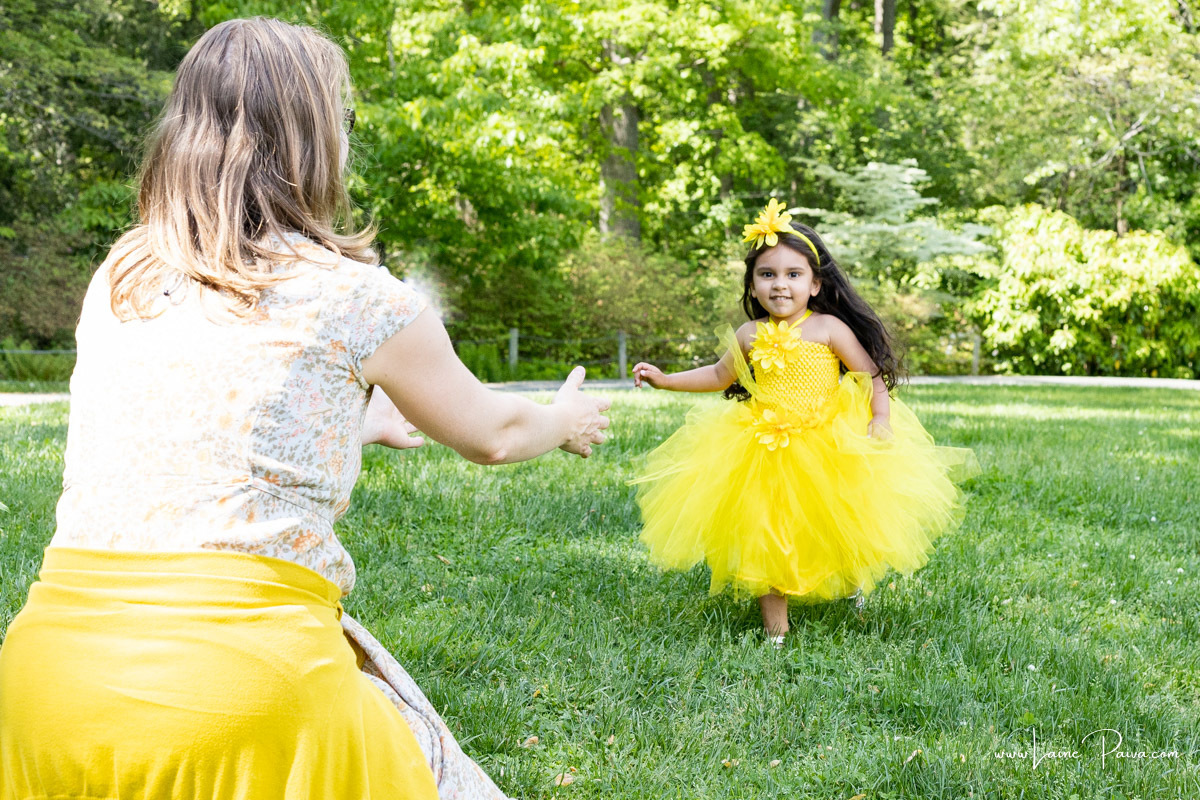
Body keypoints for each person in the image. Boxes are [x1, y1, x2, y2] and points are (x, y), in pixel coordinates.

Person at [0, 17, 609, 800]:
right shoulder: (360, 297)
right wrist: (565, 417)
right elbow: (494, 433)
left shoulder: (123, 276)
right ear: (316, 139)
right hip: (241, 690)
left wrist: (353, 421)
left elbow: (191, 423)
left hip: (45, 683)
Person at [630, 199, 976, 646]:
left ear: (814, 285)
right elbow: (719, 375)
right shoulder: (748, 335)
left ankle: (851, 581)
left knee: (838, 519)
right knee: (766, 530)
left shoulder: (828, 328)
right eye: (767, 275)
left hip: (828, 443)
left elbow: (869, 373)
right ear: (752, 286)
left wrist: (881, 417)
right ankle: (776, 632)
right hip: (763, 448)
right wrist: (665, 379)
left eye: (793, 275)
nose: (780, 285)